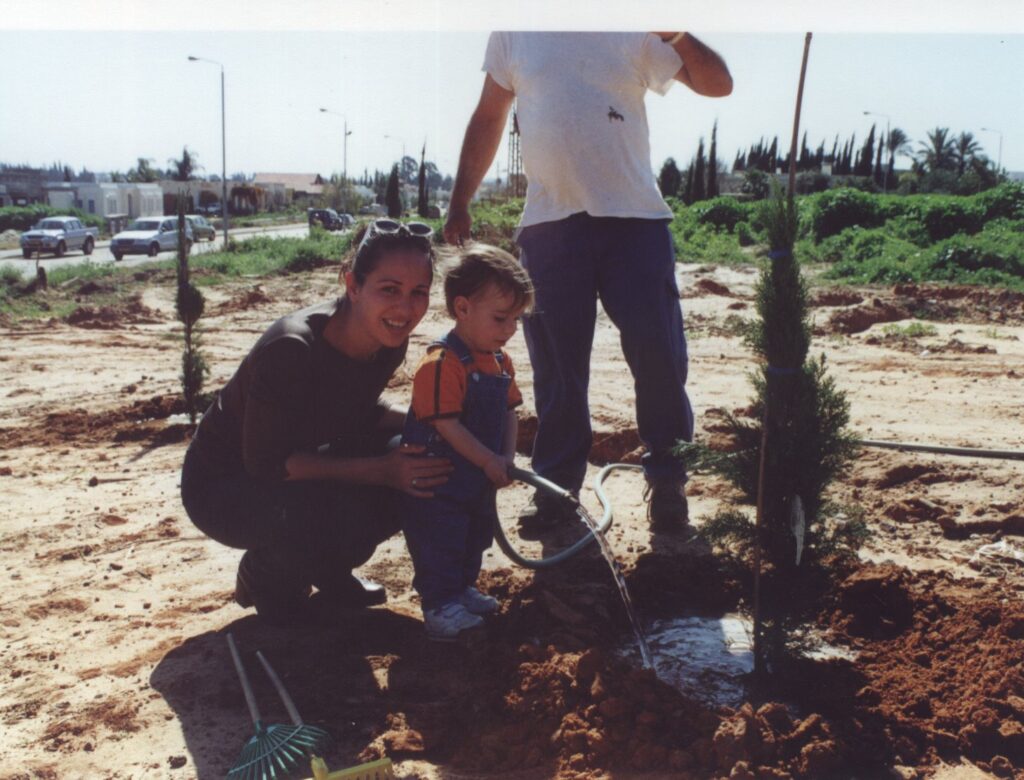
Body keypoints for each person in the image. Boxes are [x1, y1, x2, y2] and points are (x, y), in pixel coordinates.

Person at [444, 31, 733, 531]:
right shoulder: (516, 31)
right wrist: (460, 200)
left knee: (658, 355)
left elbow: (718, 85)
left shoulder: (635, 25)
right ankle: (557, 492)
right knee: (557, 369)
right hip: (550, 226)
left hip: (635, 223)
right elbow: (489, 117)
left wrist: (679, 33)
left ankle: (668, 482)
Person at [180, 220, 453, 626]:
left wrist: (434, 421)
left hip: (297, 466)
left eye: (418, 293)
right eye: (389, 289)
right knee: (341, 505)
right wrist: (382, 471)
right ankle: (269, 577)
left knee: (419, 458)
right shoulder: (292, 348)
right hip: (225, 488)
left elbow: (357, 411)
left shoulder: (387, 338)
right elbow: (266, 464)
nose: (405, 309)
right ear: (353, 285)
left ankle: (328, 571)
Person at [400, 245, 533, 641]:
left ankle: (462, 590)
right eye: (500, 318)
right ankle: (439, 606)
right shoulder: (442, 364)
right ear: (462, 308)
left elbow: (510, 412)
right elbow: (447, 425)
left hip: (477, 477)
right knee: (441, 540)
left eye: (516, 320)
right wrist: (489, 459)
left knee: (475, 534)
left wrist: (506, 457)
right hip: (438, 482)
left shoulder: (499, 361)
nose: (509, 329)